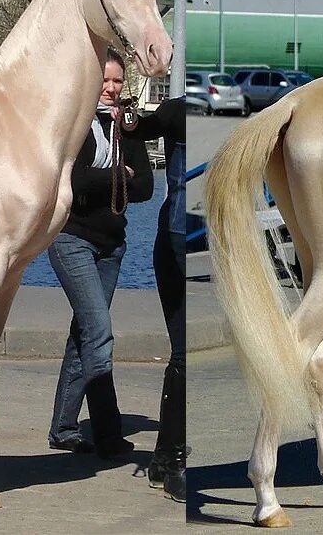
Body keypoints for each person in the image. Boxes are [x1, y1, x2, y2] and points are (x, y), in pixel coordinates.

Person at [47, 51, 154, 459]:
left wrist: (114, 175)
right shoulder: (74, 123)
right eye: (105, 81)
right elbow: (71, 177)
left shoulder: (127, 127)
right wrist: (116, 175)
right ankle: (108, 433)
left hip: (112, 245)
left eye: (118, 83)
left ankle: (63, 427)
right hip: (72, 238)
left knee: (86, 332)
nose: (111, 89)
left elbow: (143, 186)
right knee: (99, 331)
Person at [121, 95, 187, 501]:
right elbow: (137, 128)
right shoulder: (181, 112)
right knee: (186, 353)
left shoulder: (180, 111)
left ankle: (164, 459)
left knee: (182, 353)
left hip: (179, 238)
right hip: (182, 240)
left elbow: (138, 128)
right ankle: (176, 461)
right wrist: (128, 118)